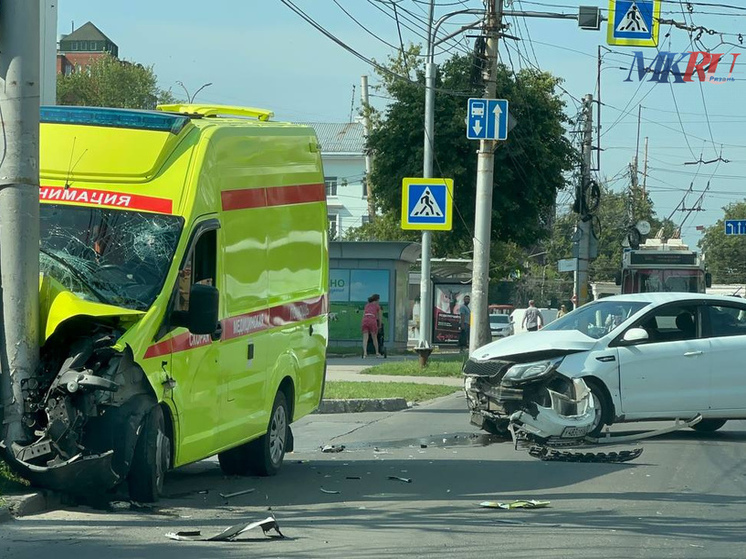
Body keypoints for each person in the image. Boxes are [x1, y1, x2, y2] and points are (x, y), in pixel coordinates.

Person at [361, 293, 383, 358]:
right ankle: (377, 352)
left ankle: (365, 353)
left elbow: (363, 314)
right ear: (377, 300)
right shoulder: (377, 306)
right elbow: (379, 317)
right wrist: (379, 325)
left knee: (365, 338)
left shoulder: (367, 305)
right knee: (374, 337)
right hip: (372, 320)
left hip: (365, 320)